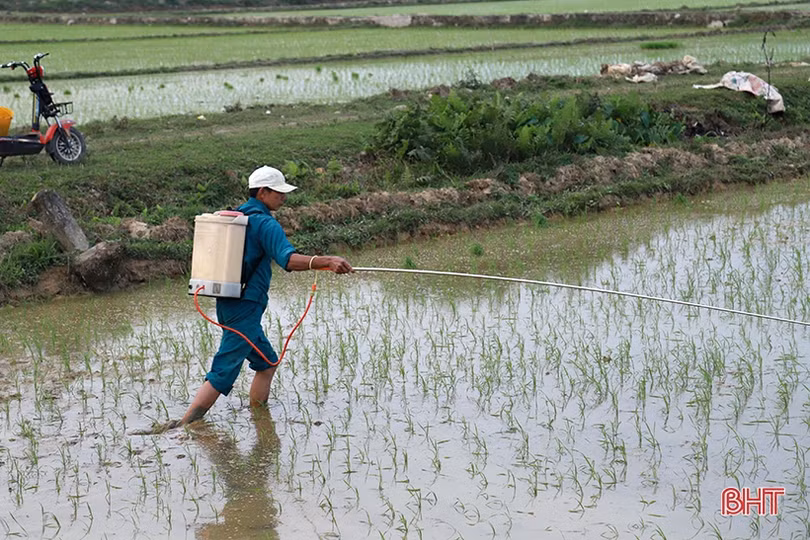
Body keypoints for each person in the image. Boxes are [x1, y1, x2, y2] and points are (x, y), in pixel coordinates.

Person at [175, 165, 353, 427]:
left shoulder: (238, 217)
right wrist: (326, 260)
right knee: (224, 371)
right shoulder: (265, 223)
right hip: (245, 307)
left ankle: (260, 419)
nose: (284, 197)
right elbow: (288, 260)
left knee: (267, 363)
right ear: (262, 192)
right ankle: (184, 426)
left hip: (231, 302)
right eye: (278, 192)